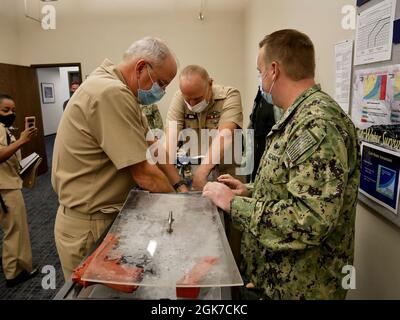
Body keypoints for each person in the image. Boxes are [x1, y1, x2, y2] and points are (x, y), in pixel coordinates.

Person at [203, 29, 360, 299]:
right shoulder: (297, 117)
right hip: (276, 281)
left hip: (302, 288)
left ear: (273, 70)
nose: (260, 79)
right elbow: (294, 188)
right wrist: (248, 191)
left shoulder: (317, 125)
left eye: (259, 70)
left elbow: (311, 220)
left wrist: (233, 203)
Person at [52, 37, 186, 280]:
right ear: (140, 67)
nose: (162, 92)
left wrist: (179, 186)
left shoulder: (120, 89)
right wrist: (178, 210)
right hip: (90, 224)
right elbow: (144, 172)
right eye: (162, 83)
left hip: (106, 216)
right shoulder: (110, 93)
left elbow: (153, 145)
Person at [166, 65, 244, 191]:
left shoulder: (229, 95)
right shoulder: (179, 97)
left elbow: (225, 135)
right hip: (192, 177)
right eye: (188, 99)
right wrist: (178, 184)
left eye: (197, 98)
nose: (192, 104)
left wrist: (202, 173)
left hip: (225, 175)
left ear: (210, 83)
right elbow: (170, 139)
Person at [0, 93, 39, 287]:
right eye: (5, 110)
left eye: (13, 110)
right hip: (5, 189)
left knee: (13, 229)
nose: (10, 114)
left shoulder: (5, 129)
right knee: (15, 230)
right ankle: (14, 273)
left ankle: (14, 266)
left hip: (8, 183)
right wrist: (22, 141)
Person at [247, 87, 281, 182]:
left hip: (273, 154)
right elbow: (251, 126)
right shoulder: (260, 96)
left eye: (260, 72)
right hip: (257, 152)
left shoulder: (277, 99)